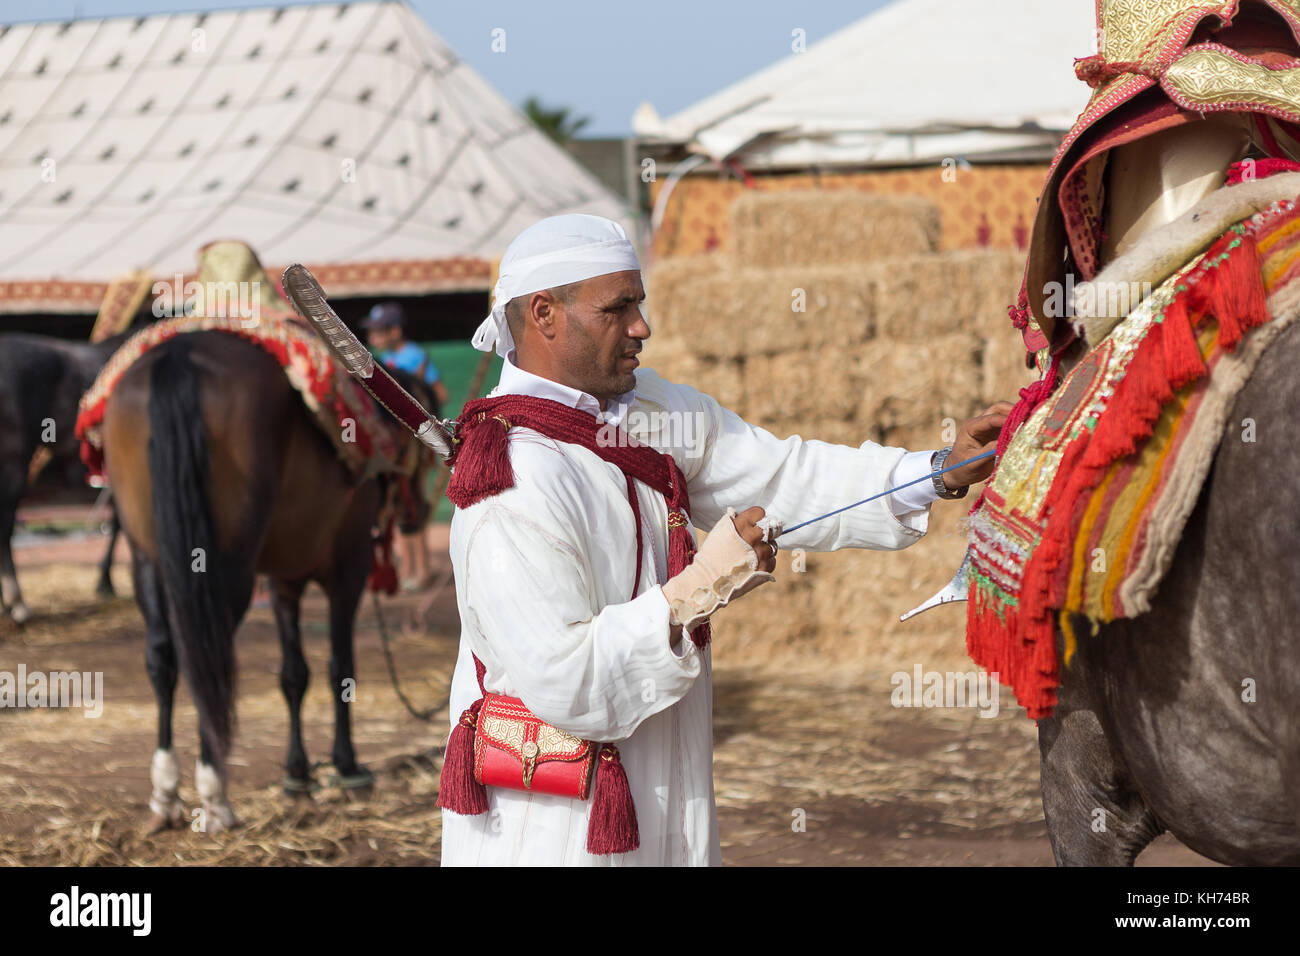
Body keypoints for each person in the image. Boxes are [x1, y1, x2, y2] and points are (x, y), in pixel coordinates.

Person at [437, 214, 1009, 866]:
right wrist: (697, 590)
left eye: (639, 303)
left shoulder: (650, 413)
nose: (641, 327)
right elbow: (569, 682)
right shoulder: (511, 481)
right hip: (553, 832)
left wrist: (936, 471)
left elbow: (785, 478)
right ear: (543, 315)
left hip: (665, 798)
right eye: (617, 309)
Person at [364, 302, 447, 590]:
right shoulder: (386, 360)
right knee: (399, 502)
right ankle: (409, 569)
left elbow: (439, 393)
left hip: (413, 443)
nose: (372, 336)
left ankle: (421, 570)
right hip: (394, 441)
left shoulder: (414, 358)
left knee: (412, 499)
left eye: (378, 330)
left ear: (395, 331)